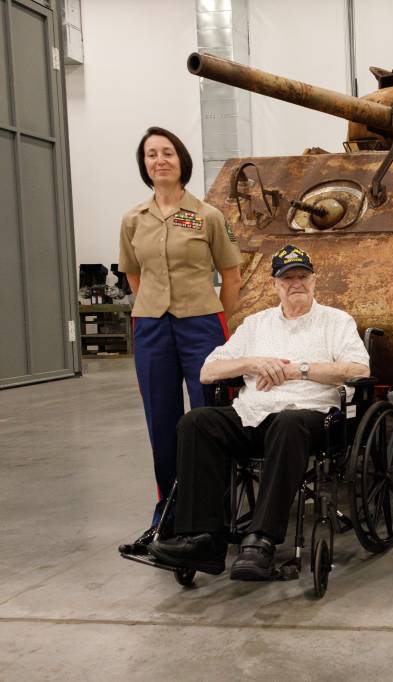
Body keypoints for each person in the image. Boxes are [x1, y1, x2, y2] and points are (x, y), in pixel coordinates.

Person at [149, 245, 371, 580]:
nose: (296, 283)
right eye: (287, 278)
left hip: (310, 414)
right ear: (275, 285)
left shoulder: (336, 321)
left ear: (314, 280)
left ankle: (261, 539)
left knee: (289, 422)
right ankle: (202, 538)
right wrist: (255, 363)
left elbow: (360, 369)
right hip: (253, 413)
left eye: (302, 276)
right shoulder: (256, 324)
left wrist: (299, 370)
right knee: (197, 422)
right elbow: (207, 371)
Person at [118, 127, 242, 555]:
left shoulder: (207, 215)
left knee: (208, 419)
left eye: (167, 152)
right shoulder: (134, 219)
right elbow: (133, 274)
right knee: (162, 422)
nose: (159, 160)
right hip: (152, 327)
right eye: (151, 154)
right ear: (145, 165)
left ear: (181, 160)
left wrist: (223, 321)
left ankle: (213, 517)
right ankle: (166, 519)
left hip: (202, 325)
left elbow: (231, 274)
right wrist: (153, 304)